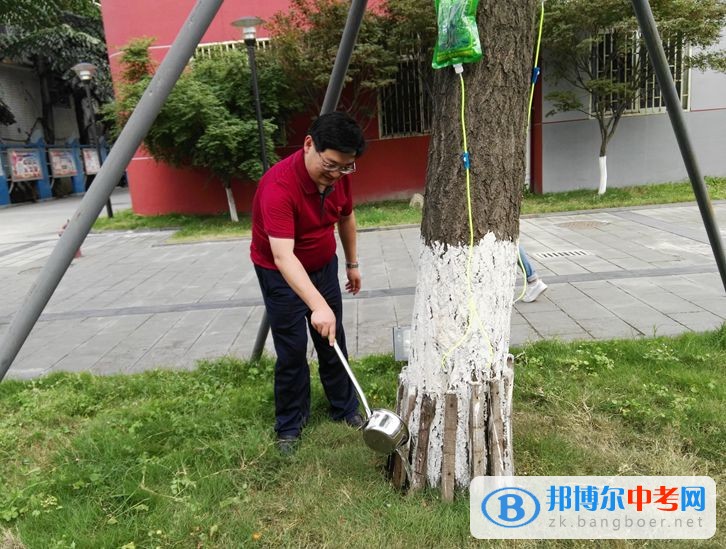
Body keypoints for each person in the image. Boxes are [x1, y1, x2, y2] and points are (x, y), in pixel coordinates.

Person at [250, 112, 366, 454]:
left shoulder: (339, 176)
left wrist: (352, 263)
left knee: (332, 340)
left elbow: (346, 216)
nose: (336, 174)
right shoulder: (278, 187)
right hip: (279, 274)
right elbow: (284, 257)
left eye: (346, 167)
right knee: (292, 350)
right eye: (331, 165)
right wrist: (318, 305)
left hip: (323, 266)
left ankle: (345, 409)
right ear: (308, 144)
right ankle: (289, 425)